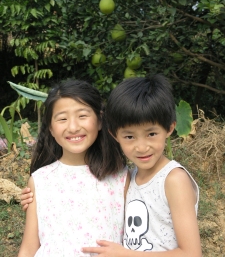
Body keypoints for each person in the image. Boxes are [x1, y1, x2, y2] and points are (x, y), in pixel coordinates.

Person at [81, 74, 202, 256]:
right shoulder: (130, 177)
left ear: (169, 128)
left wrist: (126, 254)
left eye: (151, 134)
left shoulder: (174, 180)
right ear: (115, 135)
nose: (142, 147)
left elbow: (191, 253)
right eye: (129, 137)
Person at [18, 79, 129, 257]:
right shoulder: (40, 181)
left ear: (100, 121)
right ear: (51, 129)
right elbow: (28, 248)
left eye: (82, 116)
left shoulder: (121, 177)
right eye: (62, 119)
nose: (73, 127)